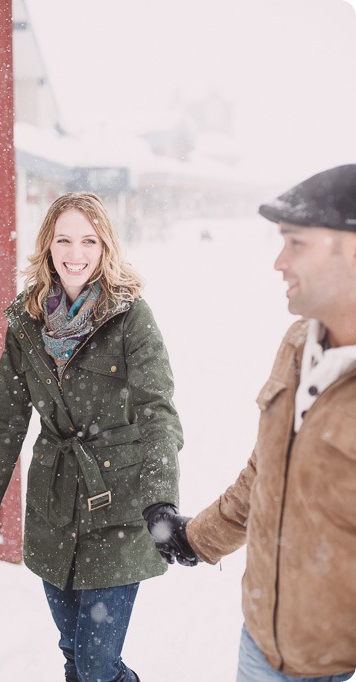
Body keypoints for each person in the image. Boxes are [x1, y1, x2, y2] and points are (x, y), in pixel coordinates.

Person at [0, 192, 193, 682]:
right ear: (47, 245)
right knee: (74, 653)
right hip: (55, 506)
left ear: (104, 248)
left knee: (95, 664)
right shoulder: (26, 323)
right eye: (64, 239)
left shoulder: (131, 317)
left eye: (88, 240)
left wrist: (160, 502)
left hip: (121, 506)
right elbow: (6, 420)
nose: (75, 252)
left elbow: (159, 412)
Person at [153, 165, 356, 681]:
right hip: (261, 645)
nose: (278, 262)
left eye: (297, 243)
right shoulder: (296, 344)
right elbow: (266, 471)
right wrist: (197, 539)